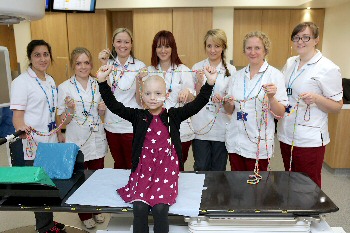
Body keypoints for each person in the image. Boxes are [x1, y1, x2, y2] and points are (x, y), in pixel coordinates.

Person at [97, 64, 217, 233]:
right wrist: (102, 82)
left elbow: (197, 104)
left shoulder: (173, 116)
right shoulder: (138, 116)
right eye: (148, 93)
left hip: (165, 172)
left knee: (160, 209)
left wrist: (209, 83)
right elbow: (114, 106)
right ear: (142, 96)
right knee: (139, 209)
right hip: (143, 171)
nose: (152, 98)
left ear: (166, 95)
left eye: (158, 93)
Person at [277, 22, 343, 187]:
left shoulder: (328, 68)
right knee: (290, 181)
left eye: (306, 37)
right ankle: (294, 212)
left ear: (316, 40)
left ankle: (311, 214)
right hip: (286, 133)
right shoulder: (291, 62)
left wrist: (317, 99)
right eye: (297, 37)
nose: (300, 41)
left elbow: (337, 106)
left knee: (308, 186)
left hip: (309, 139)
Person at [10, 40, 66, 233]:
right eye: (37, 55)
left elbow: (52, 112)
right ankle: (44, 227)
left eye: (46, 54)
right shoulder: (21, 82)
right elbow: (17, 118)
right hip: (32, 144)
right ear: (30, 57)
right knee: (38, 187)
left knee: (49, 184)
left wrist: (59, 133)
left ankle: (48, 222)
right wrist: (23, 131)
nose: (42, 59)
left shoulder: (49, 80)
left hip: (49, 141)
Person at [57, 47, 107, 229]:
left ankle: (95, 208)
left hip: (96, 138)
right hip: (76, 138)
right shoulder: (64, 88)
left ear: (91, 64)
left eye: (86, 63)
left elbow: (102, 113)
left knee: (97, 177)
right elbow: (62, 121)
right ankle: (84, 212)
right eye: (78, 63)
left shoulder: (98, 84)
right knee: (80, 179)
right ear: (73, 65)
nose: (83, 67)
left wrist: (102, 110)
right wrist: (69, 110)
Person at [224, 31, 288, 172]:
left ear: (265, 50)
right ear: (244, 50)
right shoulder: (237, 76)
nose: (253, 52)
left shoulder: (275, 75)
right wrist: (228, 103)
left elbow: (280, 114)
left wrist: (271, 98)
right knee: (237, 183)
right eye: (249, 48)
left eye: (257, 48)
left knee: (257, 188)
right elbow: (228, 110)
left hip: (258, 144)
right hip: (235, 141)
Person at [139, 30, 195, 170]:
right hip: (156, 128)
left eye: (167, 46)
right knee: (157, 167)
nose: (163, 50)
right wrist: (138, 81)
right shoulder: (149, 71)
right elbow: (141, 101)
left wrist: (187, 92)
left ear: (173, 48)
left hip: (180, 128)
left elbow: (193, 99)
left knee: (177, 168)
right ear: (154, 49)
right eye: (159, 46)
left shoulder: (183, 70)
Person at [98, 28, 146, 169]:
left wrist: (140, 81)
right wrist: (103, 64)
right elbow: (104, 93)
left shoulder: (139, 66)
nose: (122, 45)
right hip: (111, 123)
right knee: (118, 164)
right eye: (119, 41)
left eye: (126, 42)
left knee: (134, 164)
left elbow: (141, 101)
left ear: (131, 44)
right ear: (113, 43)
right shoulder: (108, 65)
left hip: (131, 125)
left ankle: (135, 190)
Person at [191, 29, 236, 171]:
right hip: (200, 127)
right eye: (209, 46)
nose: (213, 50)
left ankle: (216, 195)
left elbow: (231, 103)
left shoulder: (231, 70)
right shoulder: (197, 67)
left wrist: (223, 100)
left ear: (223, 47)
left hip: (221, 127)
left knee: (218, 170)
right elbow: (194, 100)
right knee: (201, 167)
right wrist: (199, 83)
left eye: (217, 46)